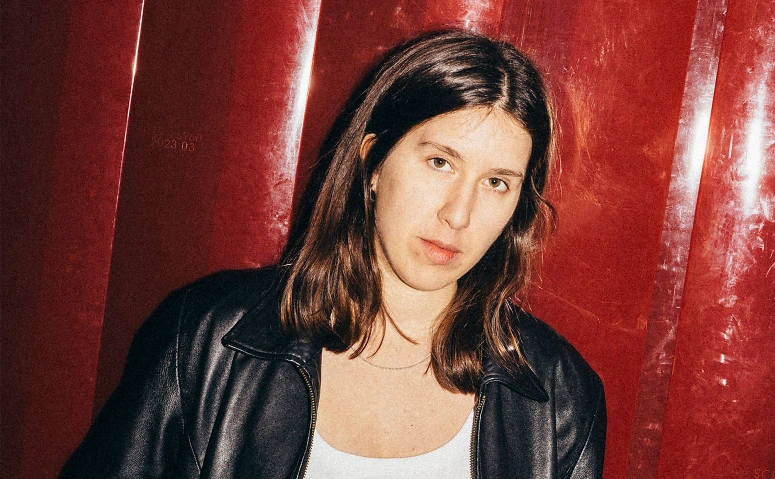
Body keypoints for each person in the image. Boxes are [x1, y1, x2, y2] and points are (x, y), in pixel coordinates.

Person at [60, 30, 606, 479]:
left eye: (496, 182)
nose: (458, 215)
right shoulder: (209, 338)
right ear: (373, 162)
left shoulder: (557, 396)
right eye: (440, 162)